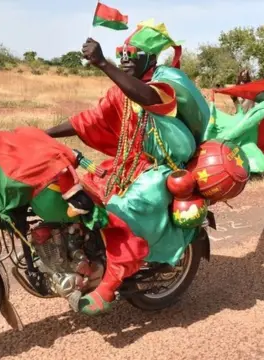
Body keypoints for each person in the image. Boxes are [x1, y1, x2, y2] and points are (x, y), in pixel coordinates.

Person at [45, 19, 210, 315]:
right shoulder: (121, 92)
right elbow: (89, 119)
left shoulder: (164, 81)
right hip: (127, 165)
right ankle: (85, 253)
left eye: (131, 53)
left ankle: (110, 281)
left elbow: (148, 99)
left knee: (126, 207)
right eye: (121, 52)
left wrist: (103, 63)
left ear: (148, 58)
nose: (124, 58)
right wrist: (42, 134)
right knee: (80, 194)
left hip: (161, 167)